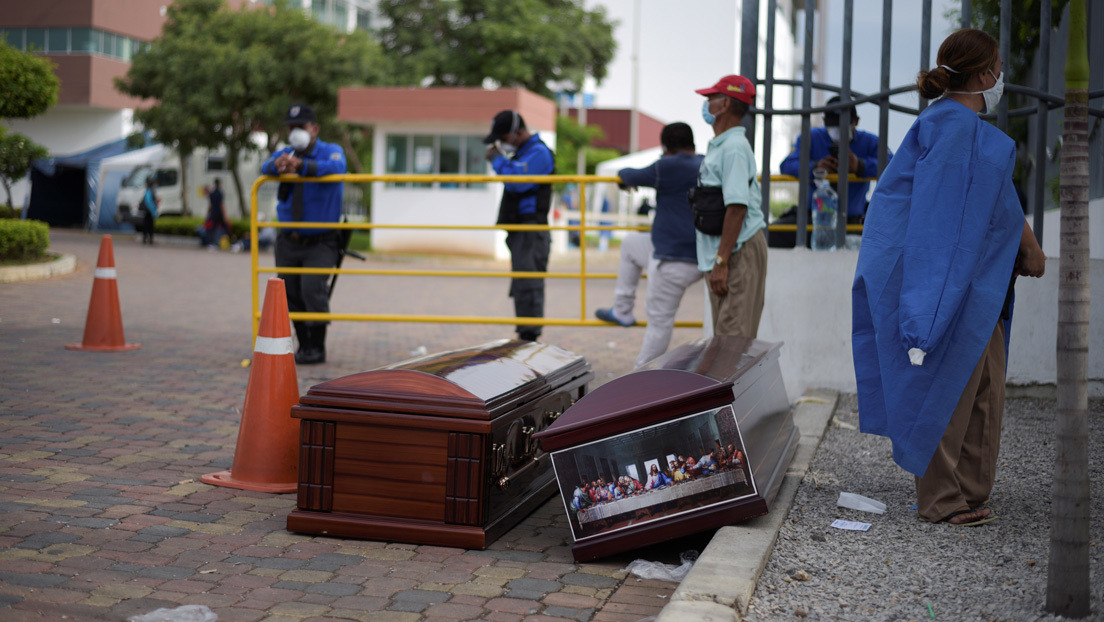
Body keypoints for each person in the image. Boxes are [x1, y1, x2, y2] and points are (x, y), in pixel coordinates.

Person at [852, 28, 1046, 527]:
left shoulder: (959, 129)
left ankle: (969, 492)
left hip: (978, 283)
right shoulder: (956, 130)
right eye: (998, 66)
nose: (1001, 74)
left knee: (983, 389)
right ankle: (942, 499)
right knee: (951, 387)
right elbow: (942, 224)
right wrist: (930, 303)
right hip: (953, 285)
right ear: (984, 74)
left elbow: (997, 201)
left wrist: (1025, 247)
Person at [594, 122, 705, 368]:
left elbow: (628, 174)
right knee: (631, 244)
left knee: (659, 324)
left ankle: (641, 379)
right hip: (703, 254)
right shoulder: (706, 163)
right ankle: (622, 309)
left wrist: (625, 181)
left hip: (673, 258)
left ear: (665, 147)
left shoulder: (665, 166)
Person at [260, 103, 347, 365]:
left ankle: (317, 347)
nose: (295, 132)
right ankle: (304, 345)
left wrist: (304, 167)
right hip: (289, 240)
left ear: (314, 129)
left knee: (312, 289)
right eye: (291, 128)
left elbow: (337, 167)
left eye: (301, 127)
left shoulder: (331, 151)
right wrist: (279, 166)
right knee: (290, 292)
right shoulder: (285, 153)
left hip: (321, 240)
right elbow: (265, 167)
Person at [694, 75, 768, 338]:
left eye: (710, 99)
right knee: (726, 338)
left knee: (731, 342)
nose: (706, 104)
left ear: (724, 104)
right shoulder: (723, 145)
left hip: (736, 251)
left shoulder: (733, 148)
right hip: (729, 251)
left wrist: (721, 262)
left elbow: (737, 207)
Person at [483, 110, 556, 342]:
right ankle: (525, 334)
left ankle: (529, 338)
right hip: (522, 231)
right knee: (523, 284)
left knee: (529, 283)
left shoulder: (539, 153)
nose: (502, 144)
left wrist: (497, 160)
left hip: (531, 229)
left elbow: (517, 183)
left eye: (503, 138)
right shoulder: (525, 153)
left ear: (518, 132)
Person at [779, 96, 890, 222]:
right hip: (813, 218)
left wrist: (860, 165)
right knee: (773, 234)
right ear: (824, 120)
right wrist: (815, 168)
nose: (837, 131)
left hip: (852, 220)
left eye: (843, 126)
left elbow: (894, 165)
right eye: (832, 126)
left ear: (856, 121)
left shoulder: (870, 142)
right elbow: (786, 165)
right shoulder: (811, 138)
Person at [199, 179, 232, 249]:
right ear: (219, 184)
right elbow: (222, 204)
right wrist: (225, 215)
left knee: (212, 228)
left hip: (213, 213)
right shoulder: (220, 193)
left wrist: (208, 213)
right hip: (220, 213)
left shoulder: (212, 193)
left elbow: (210, 205)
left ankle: (212, 243)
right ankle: (230, 242)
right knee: (226, 227)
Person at [140, 176, 159, 245]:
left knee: (146, 225)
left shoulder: (148, 191)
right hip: (149, 212)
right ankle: (149, 239)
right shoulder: (149, 191)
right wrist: (153, 211)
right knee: (149, 225)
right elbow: (149, 203)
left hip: (147, 211)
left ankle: (146, 238)